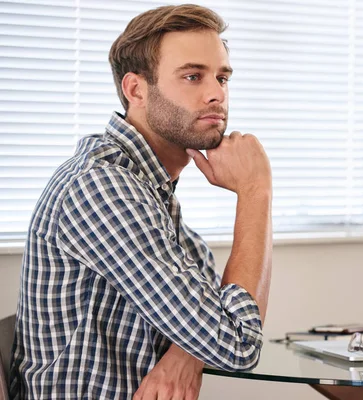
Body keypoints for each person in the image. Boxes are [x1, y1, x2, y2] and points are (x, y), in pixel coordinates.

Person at [10, 4, 272, 399]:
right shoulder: (103, 187)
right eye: (192, 76)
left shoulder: (147, 184)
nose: (217, 93)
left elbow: (208, 299)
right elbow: (236, 343)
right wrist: (256, 192)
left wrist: (187, 353)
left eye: (222, 77)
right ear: (136, 89)